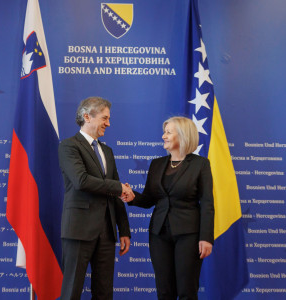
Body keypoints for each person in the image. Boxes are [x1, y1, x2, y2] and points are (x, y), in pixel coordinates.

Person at [123, 116, 214, 300]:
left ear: (182, 135)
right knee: (164, 291)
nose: (163, 136)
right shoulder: (157, 164)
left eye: (168, 132)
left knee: (186, 291)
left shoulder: (200, 164)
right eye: (164, 132)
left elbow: (207, 203)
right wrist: (132, 196)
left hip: (188, 234)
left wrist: (206, 238)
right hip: (159, 234)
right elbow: (149, 199)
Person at [58, 96, 134, 300]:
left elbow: (116, 194)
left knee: (104, 292)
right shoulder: (69, 146)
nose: (108, 123)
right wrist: (117, 186)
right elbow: (81, 181)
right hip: (79, 230)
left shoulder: (107, 151)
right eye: (104, 118)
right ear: (87, 117)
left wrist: (124, 230)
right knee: (71, 291)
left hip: (107, 232)